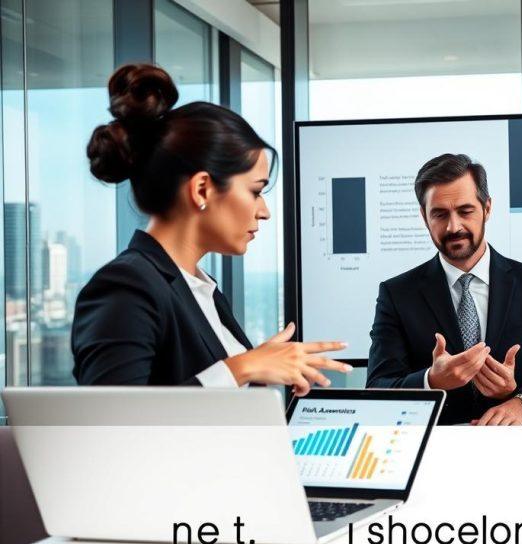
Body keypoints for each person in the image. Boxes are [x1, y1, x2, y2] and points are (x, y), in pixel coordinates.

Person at [73, 63, 350, 394]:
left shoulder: (200, 291)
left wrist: (257, 377)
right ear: (202, 189)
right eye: (255, 190)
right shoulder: (126, 286)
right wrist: (244, 366)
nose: (264, 212)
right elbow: (108, 424)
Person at [366, 153, 522, 425]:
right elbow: (378, 386)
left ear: (487, 208)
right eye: (440, 214)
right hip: (435, 450)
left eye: (465, 211)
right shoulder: (397, 294)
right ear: (424, 217)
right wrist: (431, 381)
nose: (453, 226)